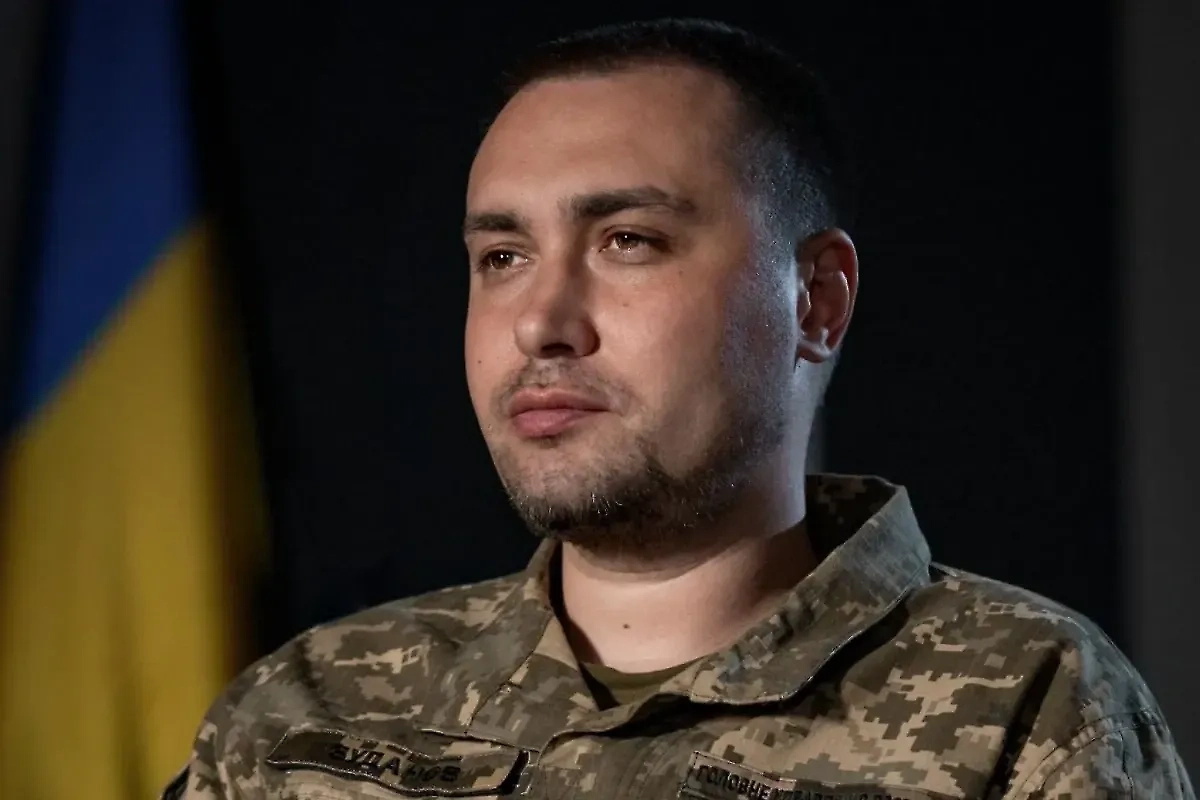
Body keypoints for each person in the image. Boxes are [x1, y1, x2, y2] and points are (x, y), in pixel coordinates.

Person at [166, 17, 1193, 800]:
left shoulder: (1025, 707)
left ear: (815, 301)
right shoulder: (305, 713)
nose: (542, 324)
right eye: (503, 257)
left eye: (629, 242)